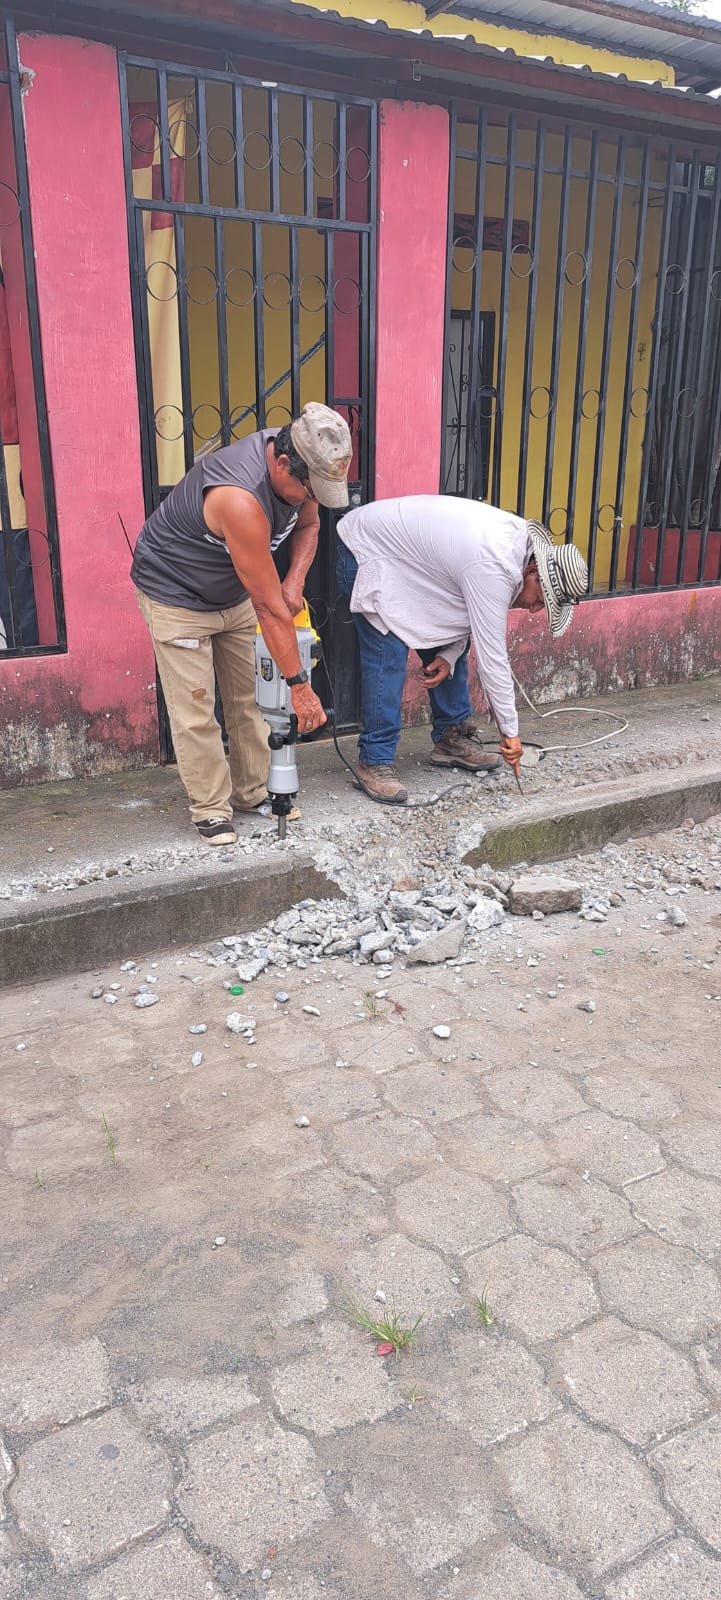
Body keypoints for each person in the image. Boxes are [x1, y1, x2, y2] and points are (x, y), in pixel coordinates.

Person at [132, 403, 350, 844]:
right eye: (310, 488)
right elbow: (269, 608)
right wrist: (300, 686)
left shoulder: (304, 457)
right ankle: (211, 808)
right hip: (176, 593)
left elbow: (308, 526)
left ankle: (251, 792)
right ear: (283, 464)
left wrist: (294, 580)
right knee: (196, 708)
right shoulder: (240, 497)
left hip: (235, 590)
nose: (311, 497)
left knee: (250, 697)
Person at [336, 495, 588, 802]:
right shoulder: (495, 565)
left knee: (449, 647)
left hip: (413, 564)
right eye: (541, 599)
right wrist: (511, 734)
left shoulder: (515, 555)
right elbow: (492, 659)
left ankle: (449, 738)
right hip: (368, 549)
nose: (535, 610)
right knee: (387, 653)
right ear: (533, 571)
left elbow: (464, 608)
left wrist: (448, 655)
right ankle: (374, 760)